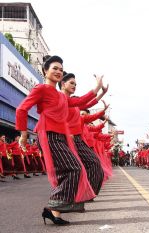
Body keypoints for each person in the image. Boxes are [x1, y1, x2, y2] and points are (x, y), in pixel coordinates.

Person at [16, 55, 103, 225]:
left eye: (61, 69)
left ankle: (55, 212)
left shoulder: (62, 96)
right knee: (74, 169)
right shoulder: (41, 89)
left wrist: (97, 88)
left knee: (71, 171)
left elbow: (82, 101)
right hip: (48, 135)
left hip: (60, 138)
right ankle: (52, 207)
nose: (58, 71)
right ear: (45, 70)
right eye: (55, 68)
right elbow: (21, 109)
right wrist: (23, 134)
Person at [59, 72, 107, 196]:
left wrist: (102, 92)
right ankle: (75, 195)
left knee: (94, 165)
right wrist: (97, 86)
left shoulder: (73, 104)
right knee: (75, 169)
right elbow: (59, 119)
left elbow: (88, 103)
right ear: (63, 84)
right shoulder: (61, 99)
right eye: (72, 83)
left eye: (75, 84)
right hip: (67, 139)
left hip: (78, 140)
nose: (75, 86)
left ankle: (85, 193)